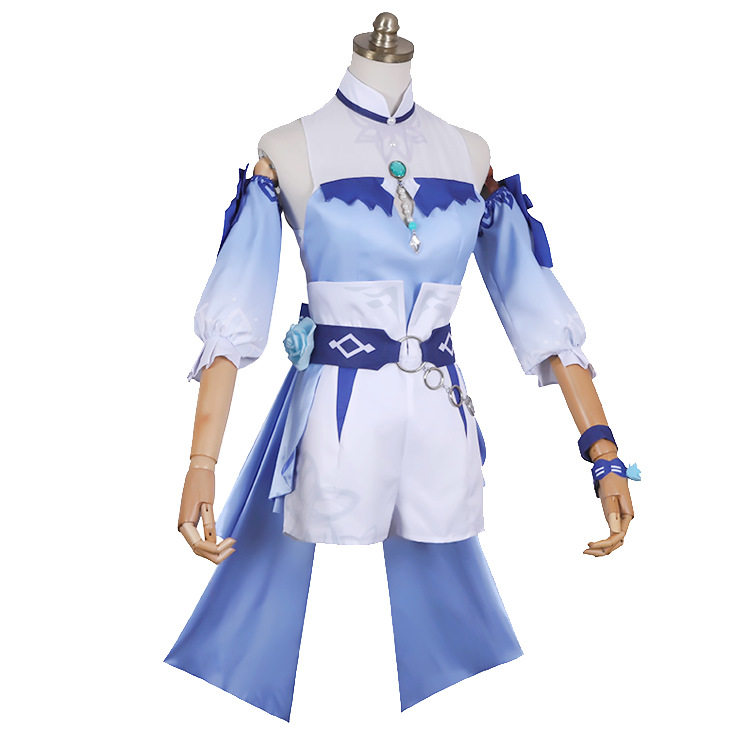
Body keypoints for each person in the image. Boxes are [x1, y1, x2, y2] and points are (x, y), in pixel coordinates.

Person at [166, 14, 637, 722]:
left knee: (462, 684)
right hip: (338, 430)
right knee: (333, 632)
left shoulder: (468, 151)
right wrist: (200, 463)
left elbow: (538, 309)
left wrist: (603, 454)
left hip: (443, 430)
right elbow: (236, 314)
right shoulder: (290, 147)